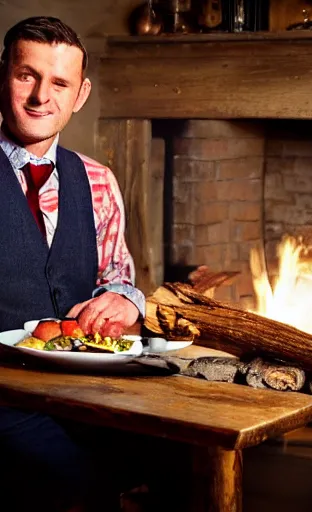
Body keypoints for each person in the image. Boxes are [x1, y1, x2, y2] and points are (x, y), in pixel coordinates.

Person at [0, 16, 147, 512]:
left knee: (171, 461)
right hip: (5, 399)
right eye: (27, 75)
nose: (43, 96)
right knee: (77, 483)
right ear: (2, 75)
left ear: (80, 94)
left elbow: (118, 279)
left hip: (88, 391)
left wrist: (126, 301)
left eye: (59, 82)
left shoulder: (98, 181)